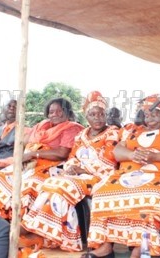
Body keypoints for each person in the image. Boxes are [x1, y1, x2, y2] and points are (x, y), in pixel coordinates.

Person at [85, 94, 160, 258]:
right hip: (130, 177)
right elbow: (117, 152)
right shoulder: (132, 130)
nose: (149, 118)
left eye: (155, 113)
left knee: (151, 194)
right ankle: (105, 245)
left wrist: (154, 157)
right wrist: (132, 155)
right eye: (147, 114)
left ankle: (141, 247)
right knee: (102, 191)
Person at [21, 91, 119, 252]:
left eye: (101, 114)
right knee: (51, 183)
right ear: (87, 117)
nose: (98, 118)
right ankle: (45, 232)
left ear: (106, 115)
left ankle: (31, 228)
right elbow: (72, 156)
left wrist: (82, 169)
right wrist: (71, 167)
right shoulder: (82, 135)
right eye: (93, 114)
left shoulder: (112, 133)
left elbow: (109, 162)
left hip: (99, 177)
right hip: (77, 175)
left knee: (60, 186)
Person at [0, 97, 84, 220]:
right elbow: (24, 142)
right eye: (51, 111)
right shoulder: (42, 125)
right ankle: (1, 217)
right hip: (30, 164)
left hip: (53, 167)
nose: (54, 114)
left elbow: (62, 153)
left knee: (30, 184)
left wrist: (34, 154)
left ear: (68, 112)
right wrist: (25, 155)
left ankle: (23, 222)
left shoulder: (72, 127)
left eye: (59, 111)